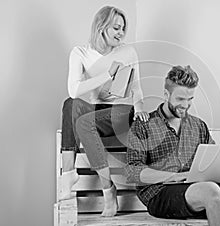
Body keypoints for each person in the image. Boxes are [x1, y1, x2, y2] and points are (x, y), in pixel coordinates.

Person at [125, 65, 220, 226]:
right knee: (211, 191)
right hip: (160, 193)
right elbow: (133, 172)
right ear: (166, 94)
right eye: (180, 99)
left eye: (190, 99)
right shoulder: (143, 125)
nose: (185, 105)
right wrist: (174, 176)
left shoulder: (198, 125)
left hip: (199, 189)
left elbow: (212, 159)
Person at [60, 6, 149, 217]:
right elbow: (74, 91)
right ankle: (72, 175)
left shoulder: (128, 52)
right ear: (101, 27)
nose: (121, 33)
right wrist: (107, 75)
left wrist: (140, 109)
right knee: (69, 105)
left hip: (119, 112)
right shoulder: (80, 53)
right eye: (116, 28)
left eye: (123, 29)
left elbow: (137, 88)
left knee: (82, 121)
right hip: (93, 113)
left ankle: (105, 190)